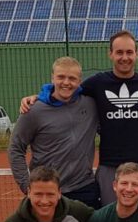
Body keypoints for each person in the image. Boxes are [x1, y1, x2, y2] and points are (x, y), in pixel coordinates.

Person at [21, 30, 138, 204]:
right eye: (119, 52)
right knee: (110, 221)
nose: (125, 57)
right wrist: (40, 96)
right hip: (109, 167)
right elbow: (66, 90)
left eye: (129, 52)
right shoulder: (97, 83)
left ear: (137, 54)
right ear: (110, 54)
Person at [8, 56, 100, 206]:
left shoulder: (91, 105)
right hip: (47, 192)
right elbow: (15, 148)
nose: (66, 82)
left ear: (79, 81)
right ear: (52, 78)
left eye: (72, 78)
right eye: (61, 77)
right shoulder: (33, 110)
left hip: (85, 189)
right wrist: (27, 186)